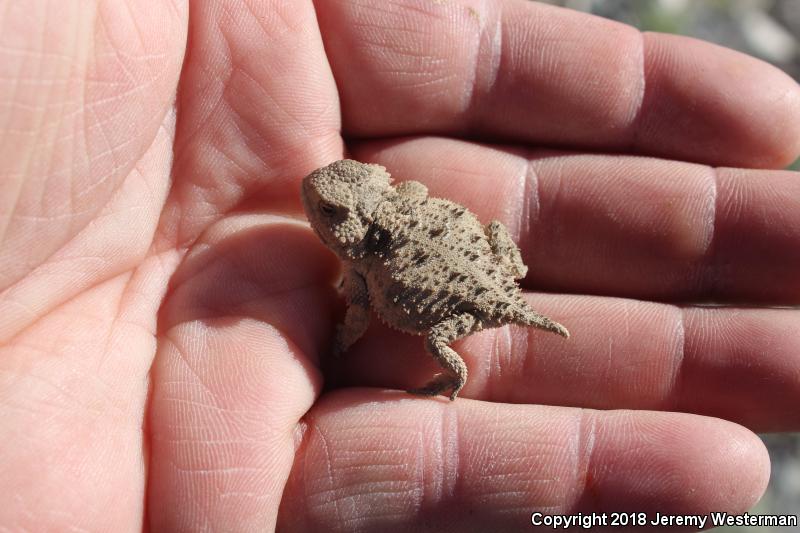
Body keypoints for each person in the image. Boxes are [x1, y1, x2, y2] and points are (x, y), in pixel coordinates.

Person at [2, 1, 799, 531]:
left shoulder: (364, 266)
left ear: (364, 229)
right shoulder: (377, 217)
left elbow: (357, 304)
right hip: (472, 254)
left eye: (339, 215)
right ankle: (506, 290)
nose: (324, 203)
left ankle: (451, 372)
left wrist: (358, 340)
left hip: (461, 295)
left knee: (443, 340)